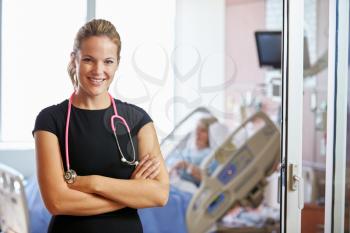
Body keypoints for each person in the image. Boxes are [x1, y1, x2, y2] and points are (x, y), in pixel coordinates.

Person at [33, 19, 169, 233]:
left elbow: (160, 194)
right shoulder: (50, 120)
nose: (98, 70)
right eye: (88, 59)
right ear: (74, 60)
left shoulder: (138, 120)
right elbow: (57, 202)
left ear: (117, 63)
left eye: (108, 61)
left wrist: (92, 183)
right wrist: (132, 195)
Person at [169, 117, 218, 186]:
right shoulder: (189, 149)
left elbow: (209, 180)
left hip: (189, 187)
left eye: (203, 131)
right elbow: (171, 161)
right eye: (197, 129)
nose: (197, 133)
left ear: (212, 134)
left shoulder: (212, 155)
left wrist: (187, 166)